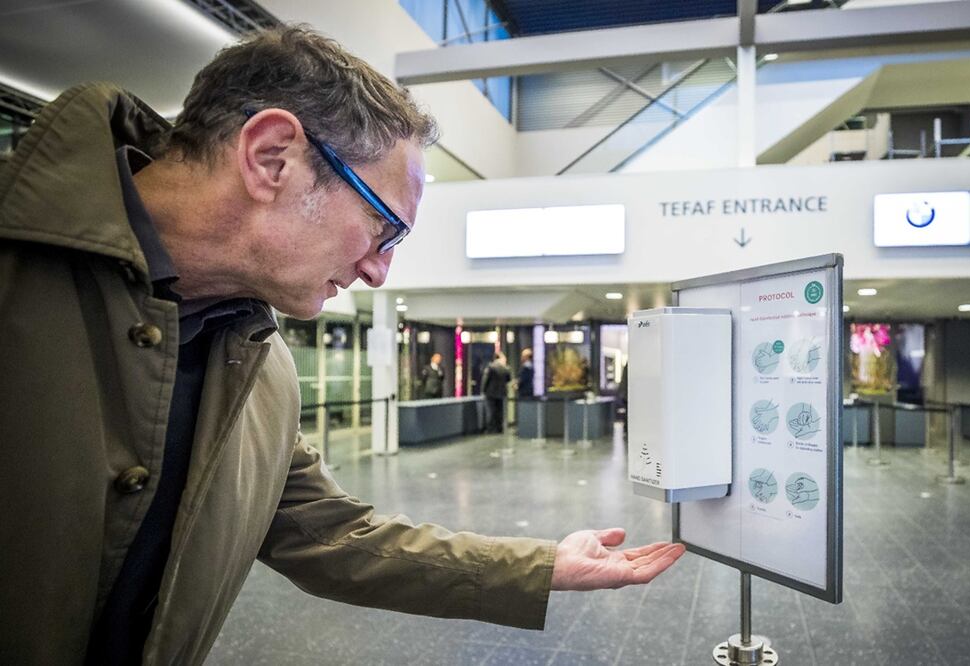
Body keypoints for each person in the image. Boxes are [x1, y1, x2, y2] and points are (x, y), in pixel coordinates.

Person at [0, 27, 684, 664]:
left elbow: (326, 534)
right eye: (383, 228)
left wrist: (541, 568)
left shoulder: (260, 365)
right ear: (273, 158)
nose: (379, 269)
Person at [482, 352, 513, 433]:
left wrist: (483, 390)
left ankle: (490, 428)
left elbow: (486, 380)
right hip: (502, 393)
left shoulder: (490, 367)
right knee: (500, 411)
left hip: (491, 393)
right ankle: (500, 428)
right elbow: (508, 380)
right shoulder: (506, 368)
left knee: (491, 411)